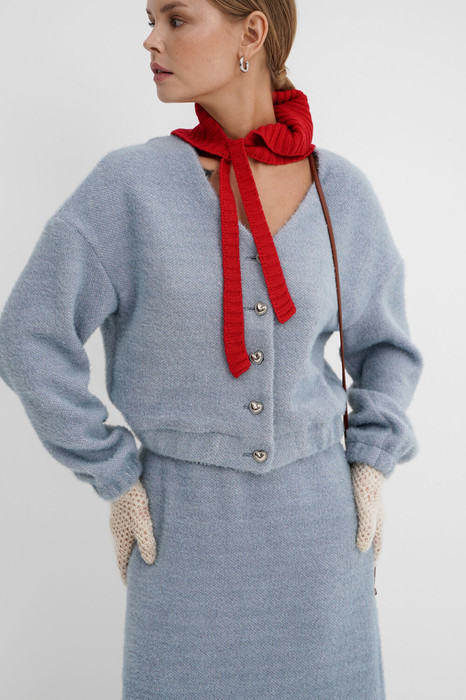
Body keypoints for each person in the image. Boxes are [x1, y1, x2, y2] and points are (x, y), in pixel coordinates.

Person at [0, 0, 423, 698]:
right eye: (149, 20)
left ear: (251, 31)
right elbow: (29, 335)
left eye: (175, 19)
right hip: (183, 535)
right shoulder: (128, 187)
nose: (151, 40)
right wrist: (114, 476)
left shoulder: (338, 191)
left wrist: (372, 463)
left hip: (320, 541)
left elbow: (389, 346)